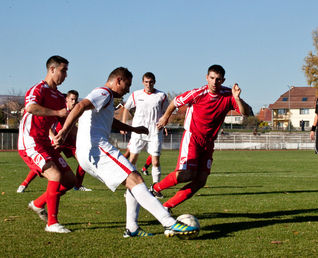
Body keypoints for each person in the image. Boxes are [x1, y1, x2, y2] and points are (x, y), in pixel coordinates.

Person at [53, 67, 198, 238]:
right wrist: (63, 132)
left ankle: (132, 228)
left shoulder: (103, 98)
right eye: (127, 85)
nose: (128, 90)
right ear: (118, 80)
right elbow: (80, 106)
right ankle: (169, 222)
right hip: (97, 149)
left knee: (133, 181)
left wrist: (134, 128)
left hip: (89, 153)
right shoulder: (104, 92)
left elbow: (110, 121)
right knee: (135, 179)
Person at [149, 64, 252, 210]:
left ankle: (165, 207)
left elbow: (246, 112)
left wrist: (237, 98)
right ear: (207, 78)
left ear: (223, 80)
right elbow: (175, 101)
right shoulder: (198, 93)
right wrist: (166, 117)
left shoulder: (229, 95)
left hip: (209, 142)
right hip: (192, 138)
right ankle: (155, 188)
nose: (214, 82)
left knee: (201, 180)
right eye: (212, 78)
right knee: (186, 175)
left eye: (218, 79)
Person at [18, 55, 77, 233]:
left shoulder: (60, 96)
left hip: (46, 142)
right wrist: (57, 112)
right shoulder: (39, 89)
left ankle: (37, 204)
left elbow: (65, 118)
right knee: (55, 175)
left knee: (69, 181)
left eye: (66, 71)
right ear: (52, 69)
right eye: (63, 70)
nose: (65, 75)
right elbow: (30, 108)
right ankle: (52, 223)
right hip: (30, 141)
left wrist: (63, 133)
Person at [16, 90, 92, 193]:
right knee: (44, 163)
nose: (74, 102)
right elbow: (48, 126)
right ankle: (24, 184)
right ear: (67, 99)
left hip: (69, 141)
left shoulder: (76, 111)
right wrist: (52, 137)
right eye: (72, 99)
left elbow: (74, 128)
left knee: (83, 162)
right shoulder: (60, 110)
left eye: (76, 99)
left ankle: (77, 185)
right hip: (57, 140)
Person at [122, 72, 169, 186]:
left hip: (154, 132)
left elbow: (166, 112)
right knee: (132, 160)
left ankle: (155, 187)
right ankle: (132, 187)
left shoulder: (161, 95)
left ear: (154, 82)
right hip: (138, 131)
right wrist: (123, 124)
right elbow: (126, 108)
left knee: (155, 161)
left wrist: (165, 123)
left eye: (151, 82)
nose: (148, 84)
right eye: (146, 82)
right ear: (143, 82)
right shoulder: (136, 94)